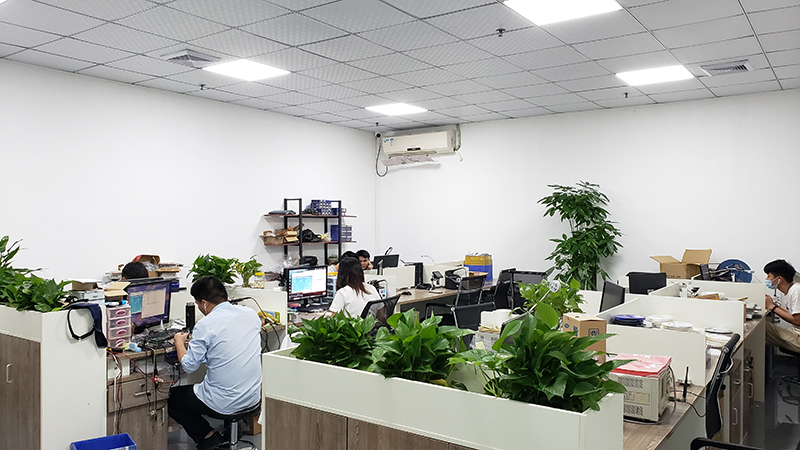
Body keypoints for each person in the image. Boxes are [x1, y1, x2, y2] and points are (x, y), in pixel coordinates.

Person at [168, 276, 262, 450]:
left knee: (171, 398)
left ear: (204, 303)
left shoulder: (206, 325)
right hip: (253, 398)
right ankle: (233, 430)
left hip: (224, 402)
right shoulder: (251, 315)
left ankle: (208, 436)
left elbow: (189, 366)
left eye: (197, 304)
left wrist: (179, 342)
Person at [764, 259, 800, 353]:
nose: (766, 279)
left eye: (768, 276)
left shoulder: (796, 291)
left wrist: (773, 307)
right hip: (796, 332)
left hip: (798, 337)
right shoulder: (791, 290)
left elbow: (797, 320)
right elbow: (791, 314)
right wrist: (773, 305)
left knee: (762, 328)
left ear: (779, 279)